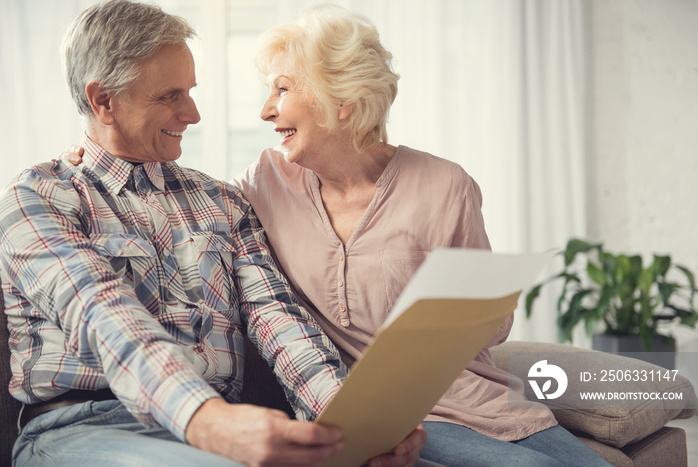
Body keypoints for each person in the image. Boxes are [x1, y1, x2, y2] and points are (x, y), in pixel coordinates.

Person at [60, 4, 611, 467]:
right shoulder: (260, 186)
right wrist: (83, 160)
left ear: (340, 102)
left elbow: (488, 329)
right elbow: (142, 249)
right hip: (364, 411)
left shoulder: (443, 186)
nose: (265, 110)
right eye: (169, 96)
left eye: (282, 89)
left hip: (466, 396)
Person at [0, 1, 425, 466]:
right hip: (86, 429)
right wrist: (210, 420)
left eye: (190, 91)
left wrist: (349, 427)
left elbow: (278, 320)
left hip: (220, 429)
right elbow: (104, 317)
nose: (193, 114)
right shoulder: (38, 198)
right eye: (170, 96)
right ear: (104, 100)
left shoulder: (222, 201)